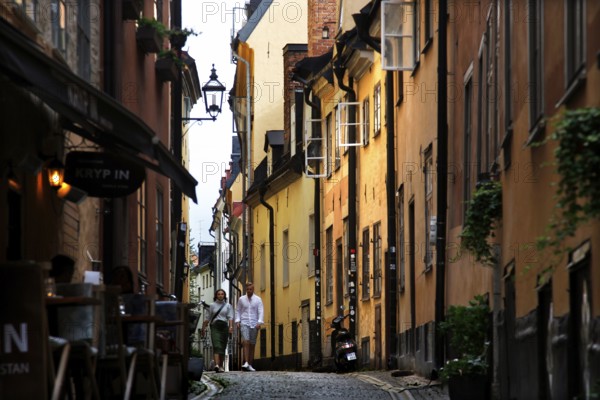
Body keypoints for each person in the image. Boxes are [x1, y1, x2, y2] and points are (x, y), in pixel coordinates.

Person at [202, 289, 234, 373]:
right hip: (215, 326)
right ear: (216, 295)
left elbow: (230, 317)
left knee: (223, 346)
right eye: (219, 294)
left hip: (224, 326)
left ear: (224, 295)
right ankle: (216, 364)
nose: (220, 295)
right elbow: (207, 317)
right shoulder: (212, 305)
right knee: (216, 345)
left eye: (222, 294)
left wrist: (231, 327)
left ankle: (221, 366)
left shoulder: (228, 306)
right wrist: (203, 327)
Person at [235, 282, 264, 372]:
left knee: (252, 344)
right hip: (244, 322)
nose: (249, 291)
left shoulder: (258, 299)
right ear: (246, 290)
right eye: (247, 289)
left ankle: (250, 364)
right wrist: (237, 321)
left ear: (253, 289)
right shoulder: (241, 299)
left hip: (255, 323)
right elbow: (238, 310)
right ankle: (246, 362)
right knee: (246, 341)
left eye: (250, 289)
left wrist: (259, 322)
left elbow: (261, 311)